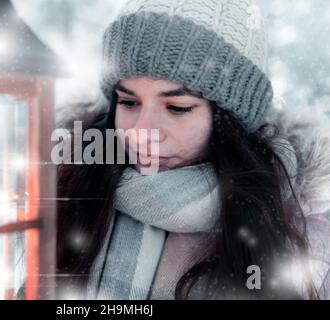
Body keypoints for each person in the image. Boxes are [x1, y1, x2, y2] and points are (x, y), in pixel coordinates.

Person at [55, 0, 330, 299]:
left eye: (177, 107)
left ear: (229, 120)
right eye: (129, 102)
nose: (141, 132)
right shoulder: (70, 197)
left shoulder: (302, 242)